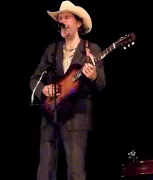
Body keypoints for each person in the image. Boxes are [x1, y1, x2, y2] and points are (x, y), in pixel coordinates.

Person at [29, 1, 106, 180]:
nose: (62, 21)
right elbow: (35, 79)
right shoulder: (52, 50)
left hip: (77, 117)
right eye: (60, 18)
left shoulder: (91, 49)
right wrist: (44, 90)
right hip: (50, 114)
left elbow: (101, 85)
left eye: (66, 17)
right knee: (45, 171)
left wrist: (93, 76)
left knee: (75, 172)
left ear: (78, 23)